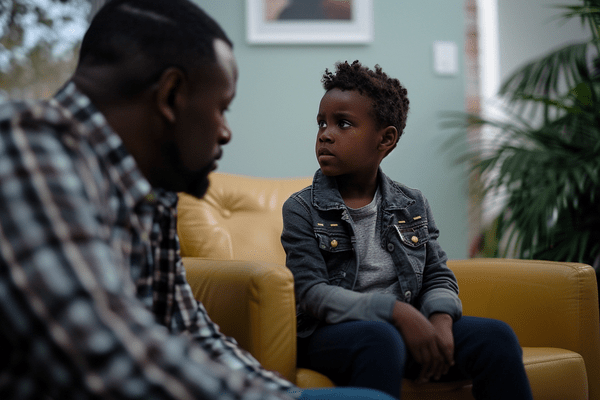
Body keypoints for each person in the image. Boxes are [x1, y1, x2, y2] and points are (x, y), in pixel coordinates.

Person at [0, 1, 394, 399]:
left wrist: (277, 392)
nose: (225, 133)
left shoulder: (152, 193)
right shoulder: (23, 147)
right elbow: (102, 355)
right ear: (171, 95)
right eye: (221, 108)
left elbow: (192, 331)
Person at [280, 60, 534, 400]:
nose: (325, 134)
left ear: (385, 139)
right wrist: (396, 313)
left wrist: (440, 323)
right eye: (321, 123)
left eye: (343, 123)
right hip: (335, 336)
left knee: (496, 336)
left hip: (404, 331)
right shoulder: (302, 208)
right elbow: (312, 294)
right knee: (380, 339)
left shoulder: (412, 204)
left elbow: (438, 276)